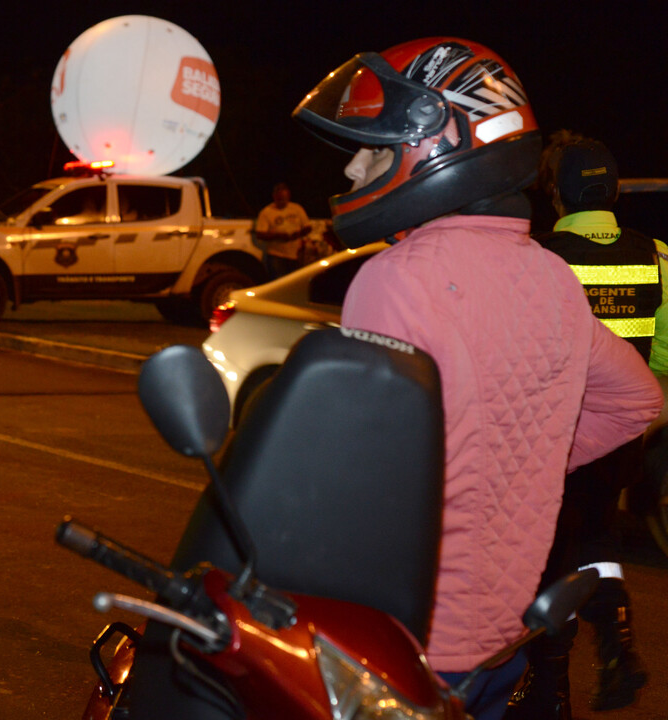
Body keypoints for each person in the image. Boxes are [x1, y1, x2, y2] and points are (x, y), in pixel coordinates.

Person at [292, 38, 661, 720]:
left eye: (371, 149)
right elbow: (639, 400)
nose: (350, 166)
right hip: (502, 642)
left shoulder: (397, 279)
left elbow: (359, 480)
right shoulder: (549, 275)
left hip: (409, 640)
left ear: (436, 149)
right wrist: (525, 459)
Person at [506, 133, 660, 719]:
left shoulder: (538, 258)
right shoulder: (658, 255)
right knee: (597, 540)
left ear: (555, 193)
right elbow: (665, 357)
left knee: (549, 559)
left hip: (555, 438)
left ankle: (549, 692)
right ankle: (618, 645)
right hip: (620, 439)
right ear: (614, 188)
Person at [253, 182, 311, 279]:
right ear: (274, 197)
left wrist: (297, 234)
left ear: (288, 196)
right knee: (278, 281)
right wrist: (278, 236)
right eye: (279, 198)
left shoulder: (296, 208)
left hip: (296, 255)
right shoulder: (266, 212)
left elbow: (308, 227)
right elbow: (260, 234)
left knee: (295, 281)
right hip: (276, 256)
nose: (281, 201)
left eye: (284, 198)